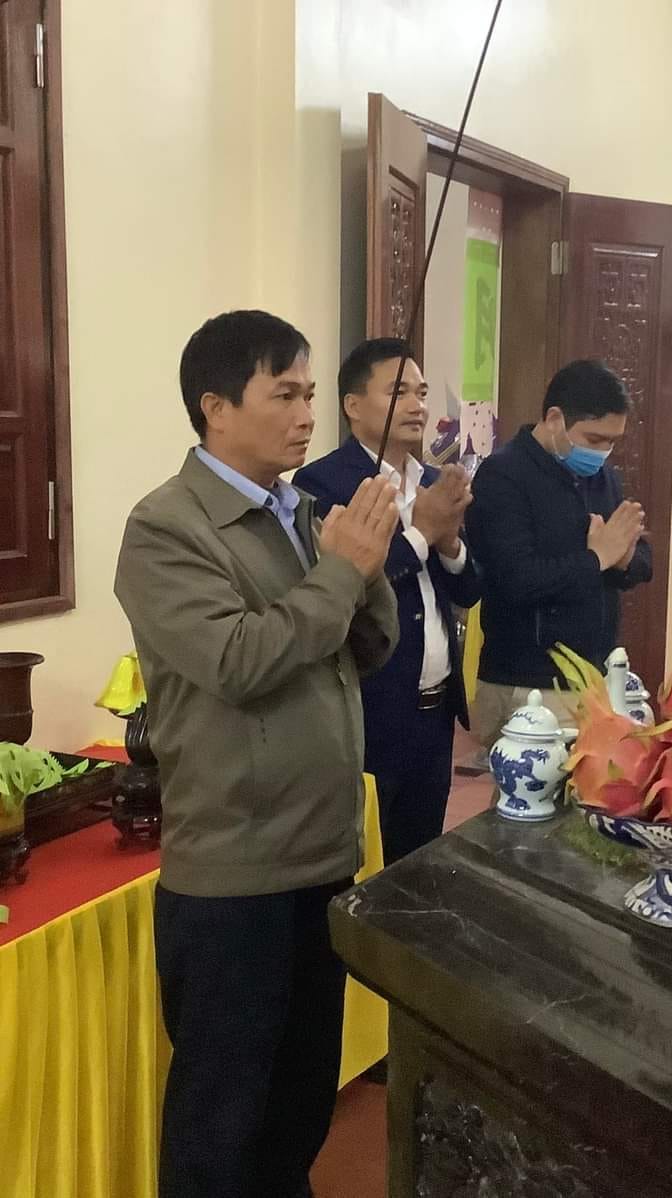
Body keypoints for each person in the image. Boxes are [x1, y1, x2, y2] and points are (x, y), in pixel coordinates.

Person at [114, 311, 400, 1198]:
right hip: (235, 876)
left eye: (310, 393)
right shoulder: (167, 527)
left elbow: (365, 650)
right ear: (216, 407)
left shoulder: (301, 513)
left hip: (321, 855)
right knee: (220, 1124)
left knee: (299, 1104)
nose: (307, 414)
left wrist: (367, 563)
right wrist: (340, 571)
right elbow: (238, 661)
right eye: (285, 394)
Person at [295, 338, 480, 864]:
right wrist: (421, 534)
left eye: (422, 392)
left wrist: (450, 544)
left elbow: (469, 589)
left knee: (423, 860)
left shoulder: (433, 481)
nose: (417, 405)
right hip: (375, 708)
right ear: (353, 405)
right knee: (369, 862)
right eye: (398, 392)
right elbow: (346, 584)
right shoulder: (324, 482)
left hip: (436, 712)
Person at [466, 359, 652, 746]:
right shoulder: (503, 476)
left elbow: (641, 559)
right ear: (554, 419)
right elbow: (517, 579)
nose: (603, 452)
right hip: (528, 680)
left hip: (594, 674)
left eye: (612, 442)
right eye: (594, 439)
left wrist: (623, 560)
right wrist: (596, 560)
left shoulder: (602, 478)